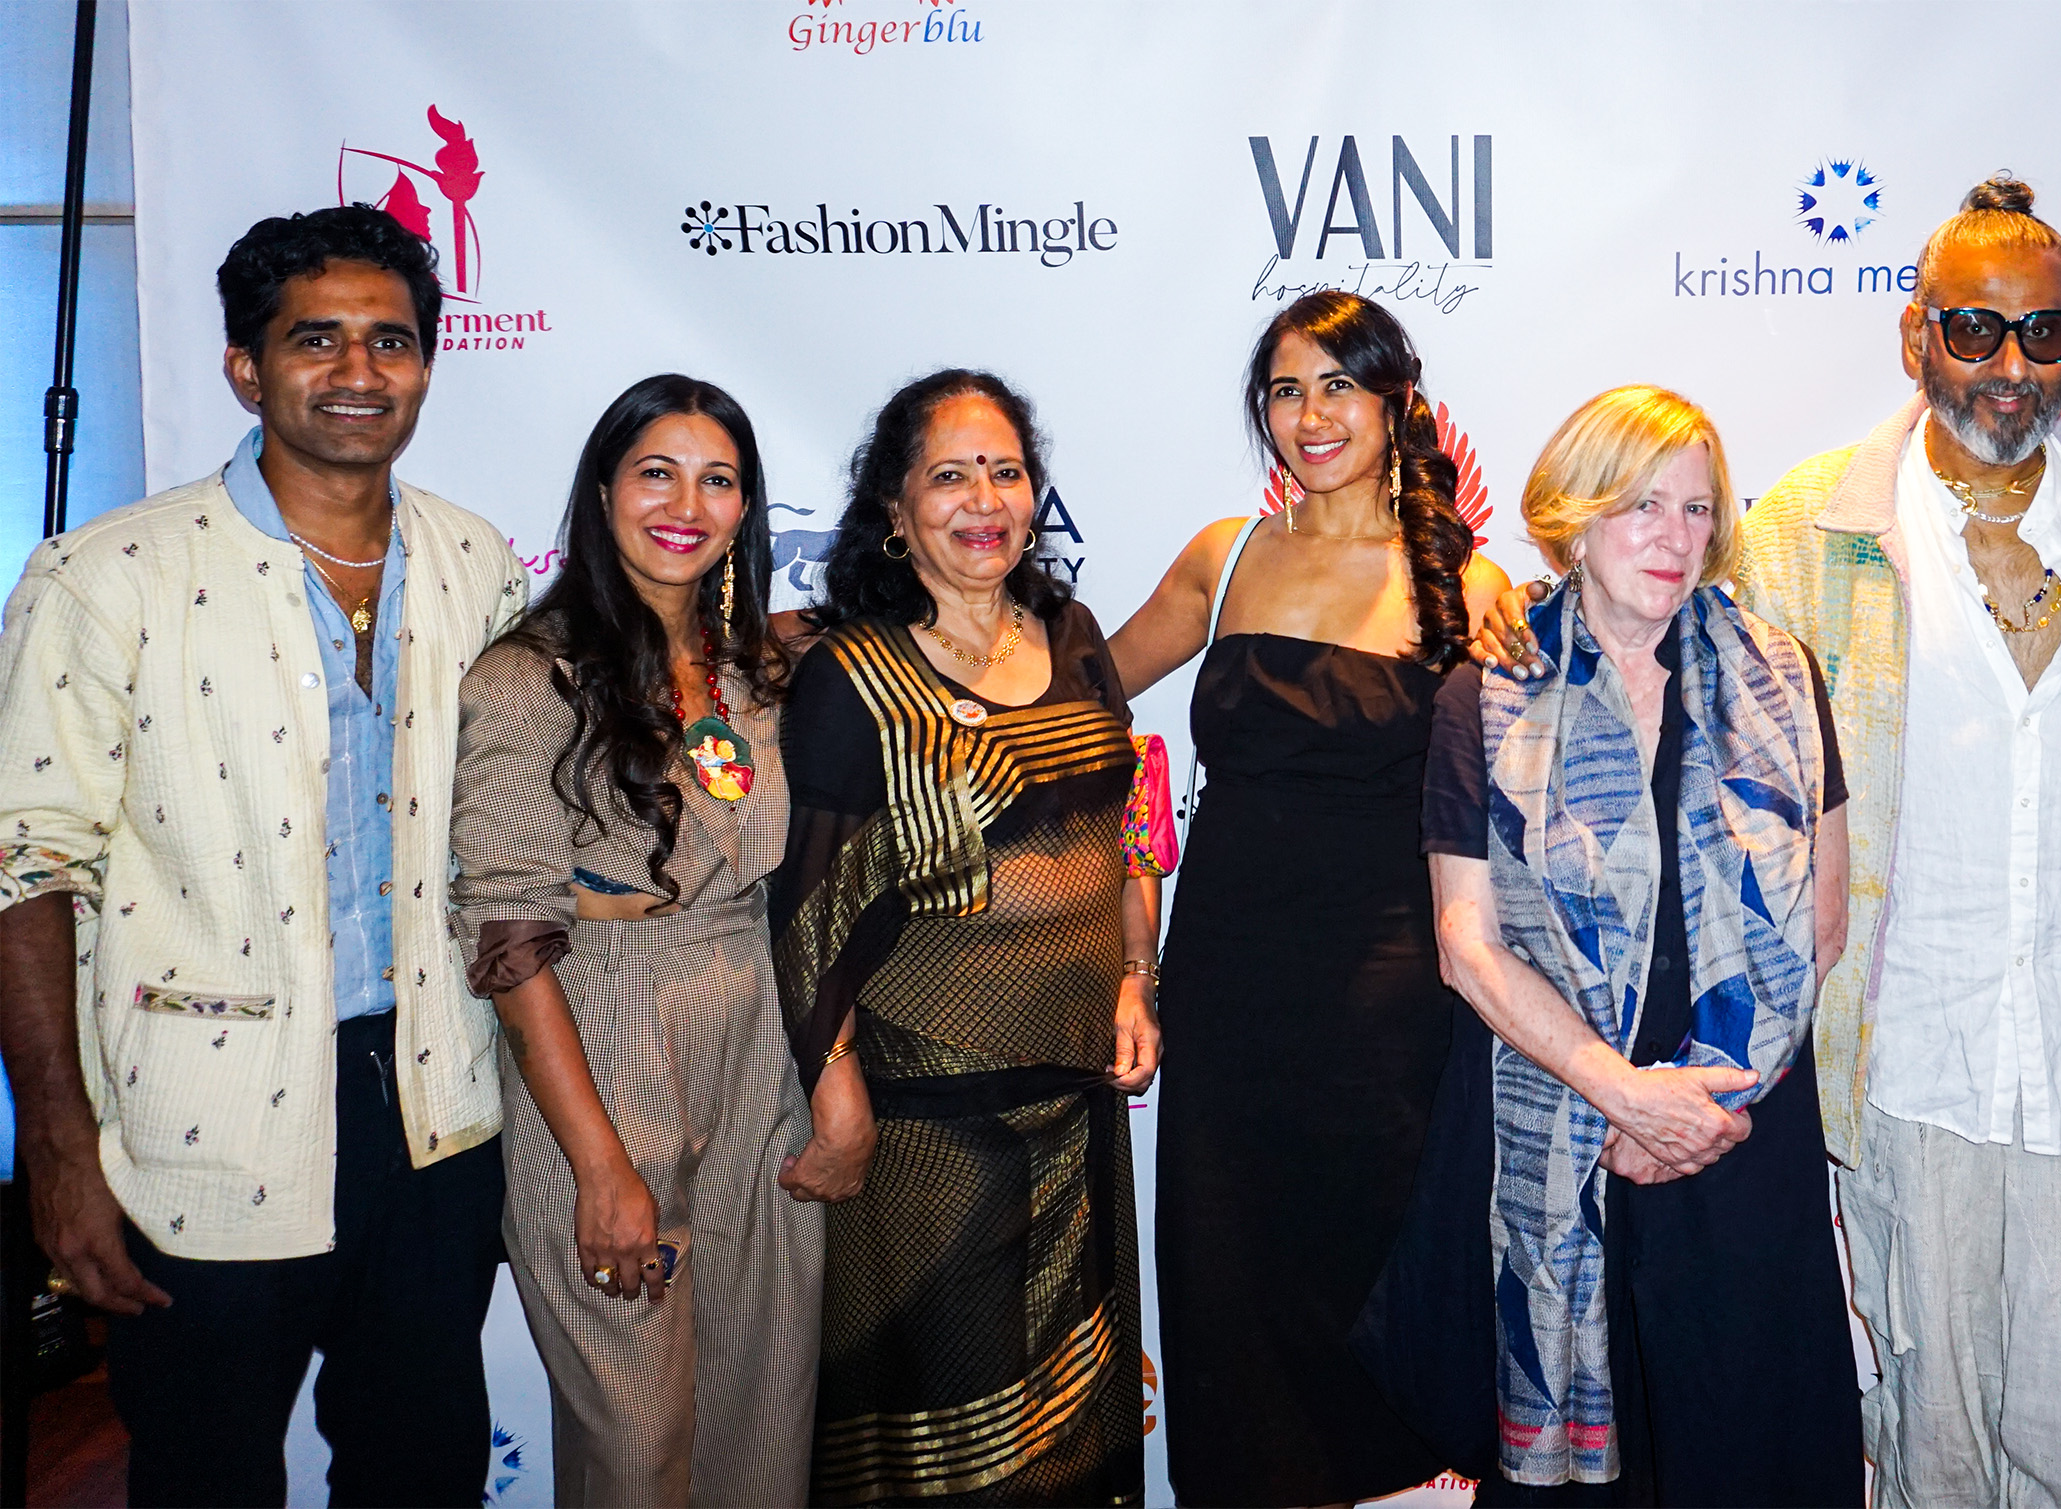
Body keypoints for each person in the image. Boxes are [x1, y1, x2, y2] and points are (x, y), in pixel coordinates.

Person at [1482, 175, 2061, 1504]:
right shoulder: (1810, 524)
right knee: (1930, 1434)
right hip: (1907, 1054)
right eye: (1973, 328)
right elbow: (1663, 711)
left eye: (2043, 333)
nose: (2007, 365)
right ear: (1917, 333)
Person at [0, 206, 523, 1505]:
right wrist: (59, 1153)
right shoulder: (104, 576)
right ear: (246, 365)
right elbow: (26, 870)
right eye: (317, 340)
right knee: (203, 1476)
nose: (359, 372)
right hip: (200, 1129)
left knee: (424, 1470)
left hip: (433, 1112)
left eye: (391, 341)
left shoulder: (476, 563)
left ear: (426, 363)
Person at [1402, 385, 1860, 1505]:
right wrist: (1623, 1099)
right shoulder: (1489, 694)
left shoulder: (1781, 676)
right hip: (1569, 1125)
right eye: (1642, 505)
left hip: (1741, 1126)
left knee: (1751, 1448)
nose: (1674, 537)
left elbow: (1825, 918)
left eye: (1698, 511)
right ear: (1576, 513)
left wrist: (1699, 1108)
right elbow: (1467, 948)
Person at [1107, 291, 1509, 1506]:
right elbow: (1077, 700)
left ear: (1397, 403)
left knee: (1381, 1295)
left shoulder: (1464, 585)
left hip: (1390, 1015)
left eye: (1339, 385)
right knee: (1234, 1292)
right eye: (1286, 389)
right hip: (1229, 999)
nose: (1310, 414)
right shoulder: (1223, 554)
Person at [774, 369, 1162, 1505]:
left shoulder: (1074, 635)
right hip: (928, 1137)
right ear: (895, 512)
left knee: (1073, 1451)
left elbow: (1122, 834)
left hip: (1079, 1121)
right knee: (943, 1461)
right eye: (948, 476)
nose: (983, 497)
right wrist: (834, 1090)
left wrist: (1136, 979)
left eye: (1004, 471)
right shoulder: (854, 676)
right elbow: (807, 913)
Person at [447, 374, 833, 1506]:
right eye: (657, 471)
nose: (687, 503)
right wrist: (598, 1167)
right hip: (605, 1043)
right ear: (603, 488)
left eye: (719, 480)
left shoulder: (760, 673)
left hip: (756, 1037)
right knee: (637, 1448)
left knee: (766, 1419)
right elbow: (510, 941)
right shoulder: (527, 679)